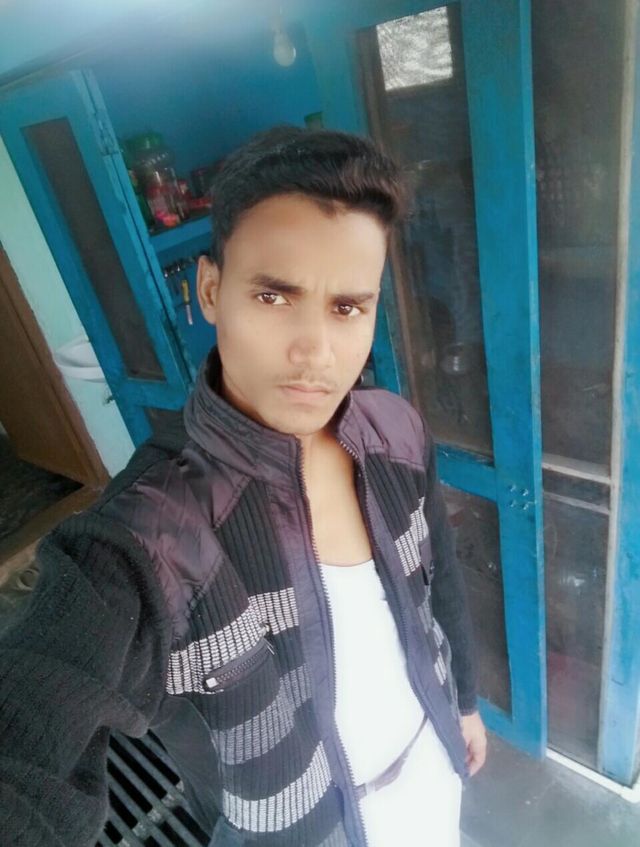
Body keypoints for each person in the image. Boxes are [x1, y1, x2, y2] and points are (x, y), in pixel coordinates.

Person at [0, 125, 486, 847]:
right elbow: (32, 726)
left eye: (347, 307)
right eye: (274, 296)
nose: (315, 351)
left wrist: (465, 703)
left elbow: (438, 581)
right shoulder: (152, 537)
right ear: (210, 290)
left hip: (433, 774)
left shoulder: (395, 431)